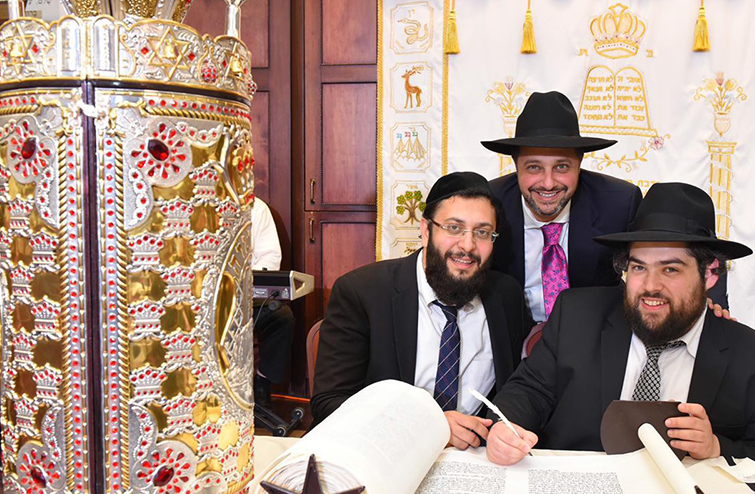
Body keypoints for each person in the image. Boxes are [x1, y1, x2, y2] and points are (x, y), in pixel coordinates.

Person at [486, 182, 755, 465]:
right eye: (638, 267)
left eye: (670, 270)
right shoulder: (577, 315)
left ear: (710, 273)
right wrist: (506, 426)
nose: (650, 286)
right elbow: (529, 391)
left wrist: (716, 447)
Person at [311, 172, 532, 450]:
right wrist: (428, 427)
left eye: (482, 232)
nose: (468, 245)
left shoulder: (505, 295)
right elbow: (329, 405)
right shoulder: (362, 292)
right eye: (454, 228)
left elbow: (519, 389)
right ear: (426, 231)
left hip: (476, 457)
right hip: (388, 453)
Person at [482, 90, 728, 321]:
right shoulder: (489, 204)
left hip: (596, 330)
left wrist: (709, 297)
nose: (548, 183)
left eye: (562, 167)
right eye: (534, 167)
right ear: (515, 165)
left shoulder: (619, 201)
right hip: (510, 332)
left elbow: (682, 248)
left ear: (580, 164)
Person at [251, 197, 295, 409]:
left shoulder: (256, 207)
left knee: (282, 318)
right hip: (203, 299)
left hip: (246, 294)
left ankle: (262, 381)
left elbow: (269, 257)